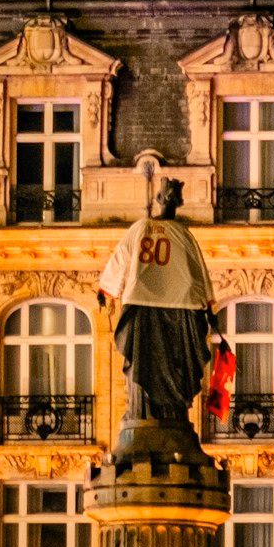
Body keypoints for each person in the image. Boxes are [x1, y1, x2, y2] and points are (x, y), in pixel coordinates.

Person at [97, 177, 214, 425]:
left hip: (144, 301)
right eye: (169, 197)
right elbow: (199, 273)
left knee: (145, 359)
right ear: (171, 202)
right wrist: (208, 306)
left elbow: (121, 257)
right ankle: (164, 413)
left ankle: (147, 413)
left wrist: (107, 288)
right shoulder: (183, 234)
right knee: (174, 362)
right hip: (179, 305)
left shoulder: (142, 227)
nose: (169, 201)